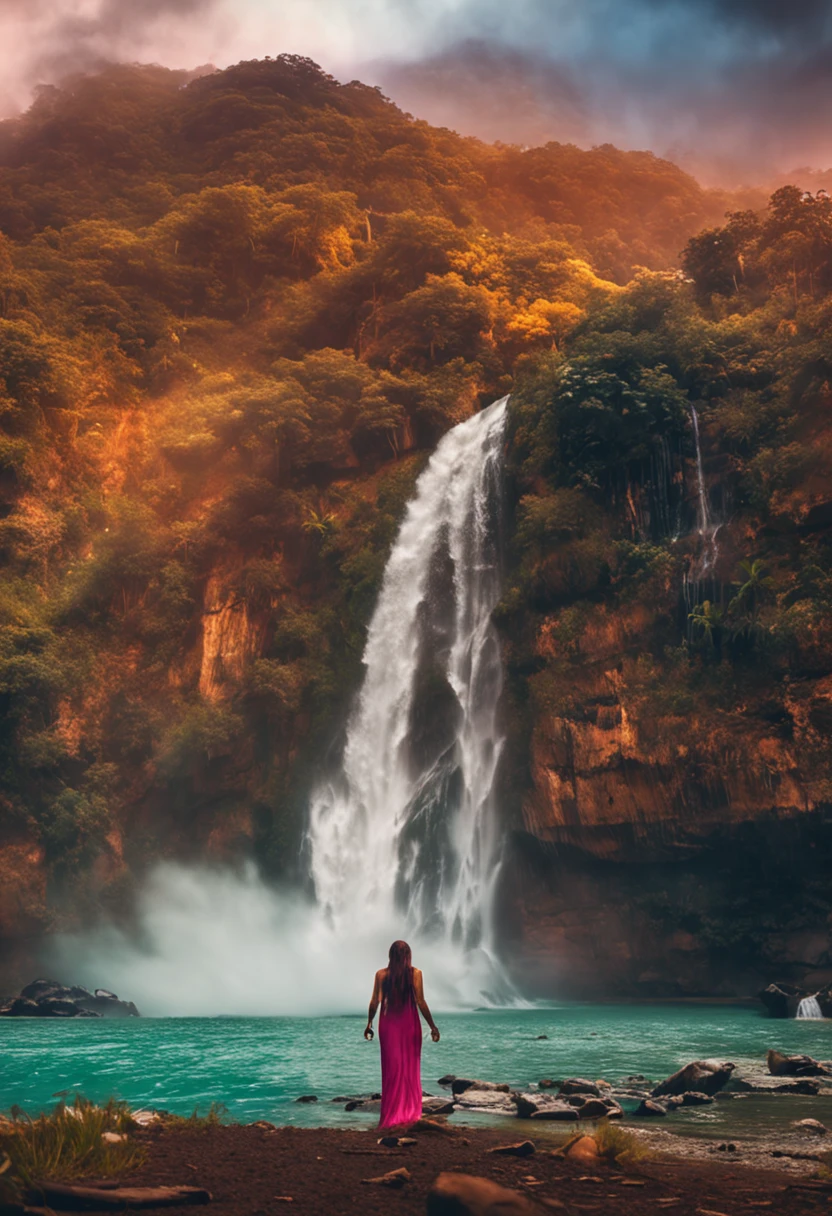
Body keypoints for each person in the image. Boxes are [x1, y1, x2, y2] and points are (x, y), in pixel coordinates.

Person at [364, 940, 440, 1128]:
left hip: (388, 1025)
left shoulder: (381, 975)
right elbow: (421, 1002)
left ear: (390, 955)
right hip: (410, 1024)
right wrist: (433, 1026)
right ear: (408, 955)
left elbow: (375, 1001)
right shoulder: (416, 974)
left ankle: (392, 1115)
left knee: (392, 1070)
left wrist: (369, 1023)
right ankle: (410, 1113)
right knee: (410, 1069)